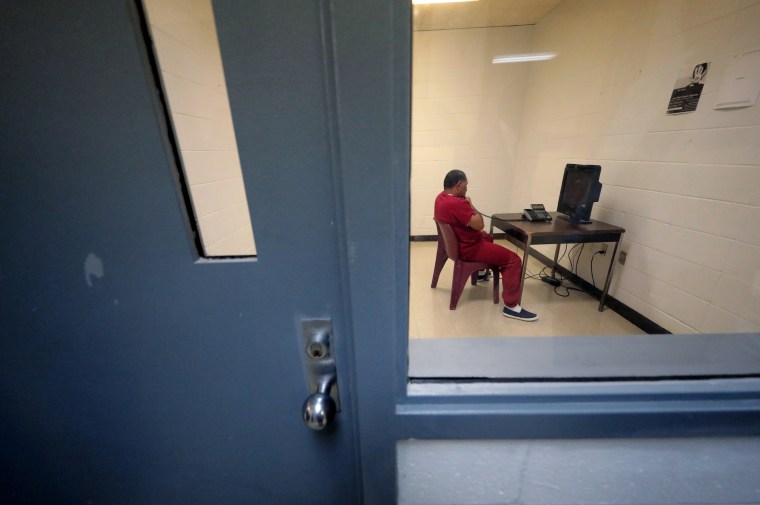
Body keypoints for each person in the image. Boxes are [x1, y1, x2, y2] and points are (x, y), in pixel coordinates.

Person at [434, 169, 538, 321]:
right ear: (458, 185)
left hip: (457, 245)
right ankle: (512, 307)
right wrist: (471, 204)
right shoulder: (458, 203)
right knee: (514, 260)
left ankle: (482, 271)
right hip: (469, 249)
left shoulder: (440, 198)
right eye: (466, 185)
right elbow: (480, 224)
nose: (467, 188)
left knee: (488, 237)